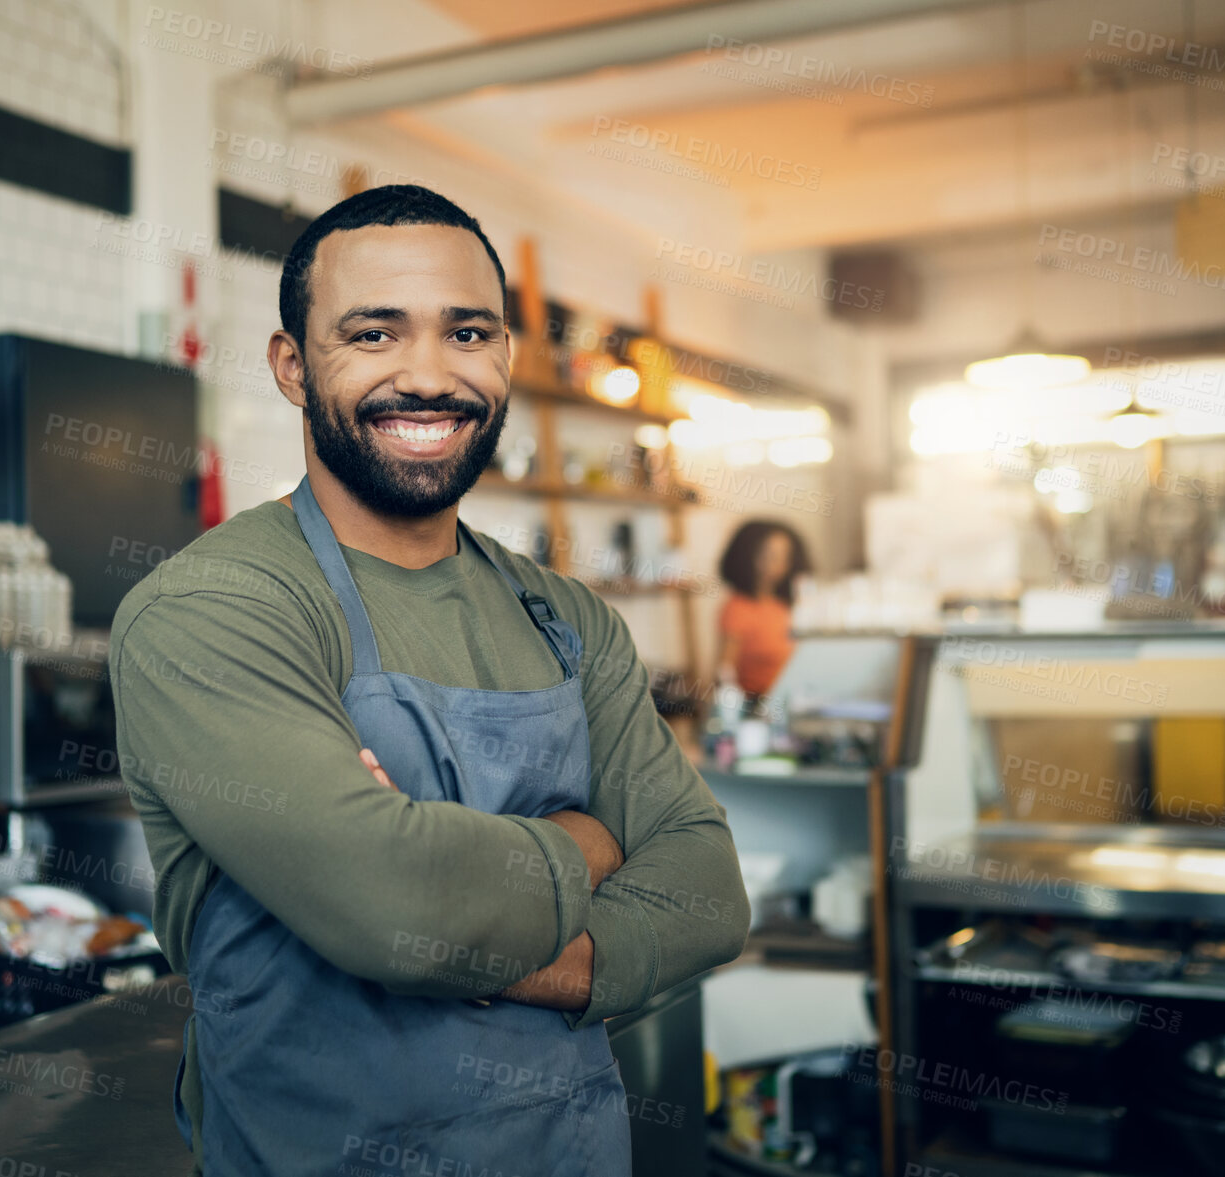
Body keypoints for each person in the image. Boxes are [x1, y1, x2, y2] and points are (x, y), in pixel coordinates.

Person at [108, 184, 750, 1177]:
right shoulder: (214, 610)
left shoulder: (567, 617)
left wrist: (475, 931)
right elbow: (402, 909)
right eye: (372, 334)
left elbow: (708, 889)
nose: (428, 375)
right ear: (292, 366)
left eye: (468, 333)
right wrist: (593, 835)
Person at [715, 520, 811, 698]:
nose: (774, 565)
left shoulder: (785, 606)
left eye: (783, 557)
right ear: (748, 556)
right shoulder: (738, 607)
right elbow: (724, 671)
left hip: (790, 696)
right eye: (767, 555)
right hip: (755, 703)